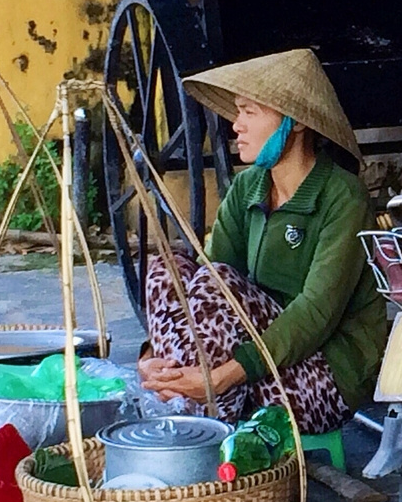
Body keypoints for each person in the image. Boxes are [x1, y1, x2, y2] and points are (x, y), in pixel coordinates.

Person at [136, 49, 385, 431]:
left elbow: (315, 314)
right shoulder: (248, 186)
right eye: (238, 111)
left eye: (250, 112)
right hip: (251, 366)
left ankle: (191, 428)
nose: (236, 125)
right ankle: (183, 399)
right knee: (166, 270)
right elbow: (206, 281)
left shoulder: (342, 197)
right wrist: (151, 355)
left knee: (223, 288)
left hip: (321, 380)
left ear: (295, 122)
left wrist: (220, 378)